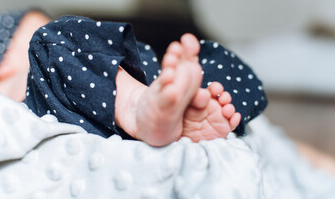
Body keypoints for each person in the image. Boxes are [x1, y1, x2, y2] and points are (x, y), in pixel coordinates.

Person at [25, 15, 267, 146]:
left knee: (221, 64)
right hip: (88, 98)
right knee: (48, 42)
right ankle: (139, 107)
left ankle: (190, 106)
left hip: (137, 75)